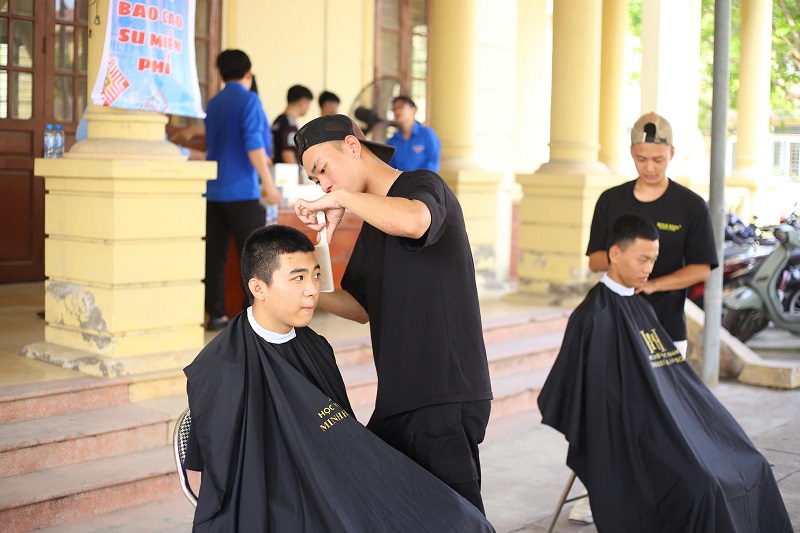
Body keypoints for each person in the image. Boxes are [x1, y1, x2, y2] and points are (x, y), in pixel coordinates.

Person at [183, 225, 495, 533]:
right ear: (258, 288)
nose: (312, 289)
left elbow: (341, 437)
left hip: (332, 485)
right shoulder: (220, 368)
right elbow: (200, 475)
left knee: (457, 521)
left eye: (315, 275)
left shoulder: (316, 348)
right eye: (298, 278)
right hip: (274, 503)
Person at [538, 214, 793, 533]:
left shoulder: (641, 307)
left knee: (753, 464)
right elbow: (598, 404)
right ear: (615, 255)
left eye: (654, 260)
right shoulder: (593, 318)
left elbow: (677, 384)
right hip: (634, 436)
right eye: (642, 259)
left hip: (669, 423)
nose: (649, 268)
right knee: (705, 486)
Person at [292, 114, 493, 514]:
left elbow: (416, 221)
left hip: (442, 393)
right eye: (316, 183)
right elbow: (360, 307)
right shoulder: (373, 223)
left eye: (323, 171)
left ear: (352, 146)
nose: (324, 186)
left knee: (456, 519)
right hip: (401, 398)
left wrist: (342, 199)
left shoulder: (422, 185)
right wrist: (307, 279)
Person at [587, 112, 718, 357]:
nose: (649, 167)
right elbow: (595, 260)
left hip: (666, 327)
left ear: (671, 153)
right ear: (631, 152)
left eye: (658, 159)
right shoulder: (610, 200)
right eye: (641, 158)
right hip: (615, 322)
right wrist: (628, 257)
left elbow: (701, 269)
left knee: (665, 395)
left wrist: (653, 285)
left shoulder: (691, 206)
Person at [203, 49, 281, 331]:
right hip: (243, 192)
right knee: (252, 255)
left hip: (213, 191)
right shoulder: (250, 101)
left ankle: (215, 314)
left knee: (215, 256)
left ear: (220, 74)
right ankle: (251, 318)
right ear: (248, 74)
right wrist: (269, 185)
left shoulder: (214, 103)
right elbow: (254, 145)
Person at [386, 95, 441, 172]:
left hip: (424, 182)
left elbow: (433, 164)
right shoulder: (392, 141)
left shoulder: (427, 135)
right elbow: (390, 169)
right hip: (401, 183)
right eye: (394, 109)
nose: (397, 111)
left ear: (414, 110)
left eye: (401, 107)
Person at [271, 84, 313, 163]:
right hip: (286, 174)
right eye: (308, 104)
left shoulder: (278, 121)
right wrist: (297, 174)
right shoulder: (289, 124)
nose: (308, 108)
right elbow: (288, 153)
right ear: (302, 102)